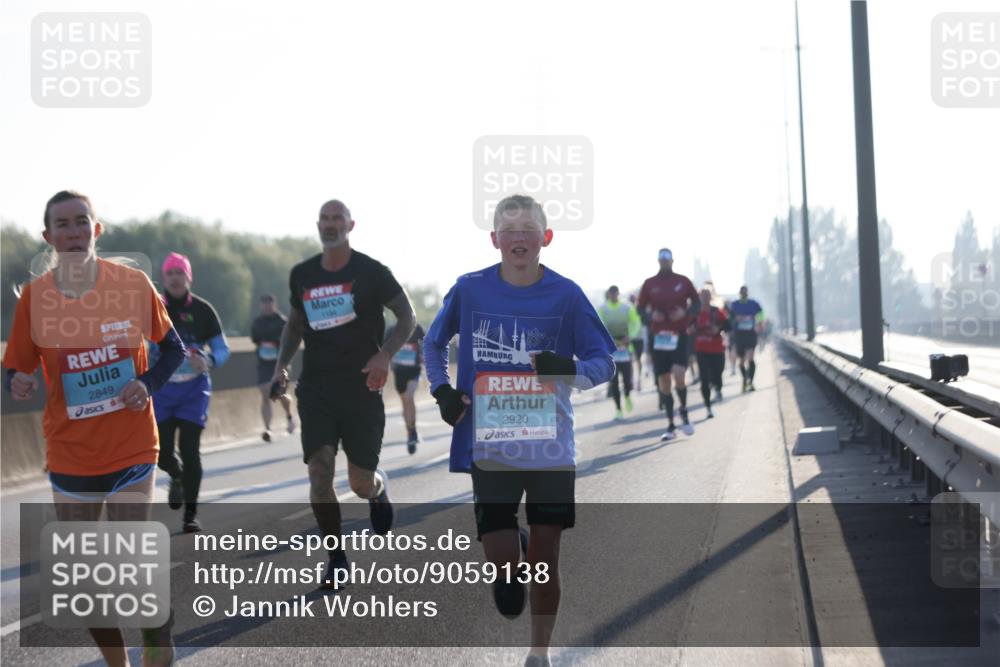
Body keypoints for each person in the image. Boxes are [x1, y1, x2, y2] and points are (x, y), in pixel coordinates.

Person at [424, 195, 614, 667]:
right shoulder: (469, 290)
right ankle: (512, 558)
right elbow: (432, 344)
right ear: (494, 241)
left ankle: (539, 652)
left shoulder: (567, 295)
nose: (518, 238)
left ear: (545, 238)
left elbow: (604, 362)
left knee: (546, 558)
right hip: (491, 445)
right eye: (508, 230)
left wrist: (567, 369)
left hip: (551, 445)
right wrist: (443, 392)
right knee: (508, 568)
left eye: (528, 229)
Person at [3, 190, 185, 666]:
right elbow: (15, 369)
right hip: (70, 455)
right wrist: (16, 382)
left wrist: (146, 383)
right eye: (62, 224)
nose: (73, 231)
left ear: (96, 230)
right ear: (48, 237)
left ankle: (155, 629)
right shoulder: (36, 301)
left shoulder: (131, 285)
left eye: (81, 221)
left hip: (131, 446)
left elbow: (174, 350)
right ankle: (117, 662)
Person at [269, 199, 416, 588]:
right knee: (319, 472)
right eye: (325, 219)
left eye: (338, 219)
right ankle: (336, 559)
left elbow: (408, 316)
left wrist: (385, 355)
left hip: (362, 389)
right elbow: (295, 326)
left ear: (350, 225)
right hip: (317, 388)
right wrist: (281, 365)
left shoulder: (371, 272)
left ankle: (378, 490)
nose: (331, 225)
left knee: (359, 483)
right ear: (318, 225)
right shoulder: (303, 274)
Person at [150, 252, 230, 533]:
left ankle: (190, 515)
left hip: (194, 390)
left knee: (190, 450)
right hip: (160, 389)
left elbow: (222, 348)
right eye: (170, 273)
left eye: (179, 273)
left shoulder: (203, 310)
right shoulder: (152, 307)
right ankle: (176, 475)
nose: (175, 278)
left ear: (188, 277)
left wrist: (209, 360)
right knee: (161, 452)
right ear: (164, 277)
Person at [637, 248, 700, 440]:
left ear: (672, 261)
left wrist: (686, 314)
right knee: (664, 382)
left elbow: (696, 303)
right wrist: (650, 315)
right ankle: (671, 425)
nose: (665, 263)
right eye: (662, 260)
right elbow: (639, 308)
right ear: (658, 262)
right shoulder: (649, 284)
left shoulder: (683, 281)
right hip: (659, 338)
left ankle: (684, 411)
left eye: (667, 260)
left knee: (679, 374)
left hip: (679, 335)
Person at [251, 293, 295, 442]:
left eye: (269, 303)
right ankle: (267, 428)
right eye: (264, 303)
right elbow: (255, 340)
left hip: (280, 362)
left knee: (279, 394)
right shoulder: (257, 322)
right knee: (265, 393)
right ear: (261, 305)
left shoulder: (282, 322)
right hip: (264, 361)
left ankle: (289, 415)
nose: (267, 306)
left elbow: (289, 342)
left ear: (274, 304)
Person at [598, 285, 641, 420]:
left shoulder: (627, 307)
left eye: (615, 294)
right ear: (608, 295)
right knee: (614, 381)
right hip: (611, 350)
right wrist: (606, 339)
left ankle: (627, 396)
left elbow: (636, 323)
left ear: (618, 294)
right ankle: (618, 410)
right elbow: (598, 325)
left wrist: (630, 336)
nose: (613, 296)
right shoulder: (602, 309)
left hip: (626, 347)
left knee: (627, 380)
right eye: (611, 294)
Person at [385, 321, 426, 453]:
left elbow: (427, 343)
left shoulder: (417, 328)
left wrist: (423, 355)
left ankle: (413, 431)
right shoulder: (392, 330)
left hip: (414, 370)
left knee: (409, 397)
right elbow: (384, 349)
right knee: (404, 402)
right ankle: (410, 432)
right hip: (399, 372)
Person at [693, 286, 730, 418]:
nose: (704, 298)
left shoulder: (716, 311)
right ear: (699, 297)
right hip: (701, 349)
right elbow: (688, 327)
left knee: (718, 372)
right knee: (704, 379)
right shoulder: (695, 313)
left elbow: (728, 325)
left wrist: (718, 329)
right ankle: (708, 406)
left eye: (707, 295)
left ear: (710, 297)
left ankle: (718, 388)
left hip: (717, 348)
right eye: (702, 295)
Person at [729, 285, 764, 392]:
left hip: (750, 334)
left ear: (747, 293)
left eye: (745, 292)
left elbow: (761, 312)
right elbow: (728, 318)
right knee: (742, 361)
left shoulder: (753, 303)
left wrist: (760, 323)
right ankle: (745, 379)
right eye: (742, 292)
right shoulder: (734, 305)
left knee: (751, 357)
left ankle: (750, 382)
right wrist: (735, 319)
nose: (744, 294)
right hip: (739, 335)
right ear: (740, 293)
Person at [627, 293, 646, 392]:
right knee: (629, 360)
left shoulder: (639, 309)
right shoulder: (626, 310)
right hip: (629, 339)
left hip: (638, 338)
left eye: (633, 300)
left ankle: (638, 380)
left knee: (638, 360)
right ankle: (631, 380)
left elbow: (644, 321)